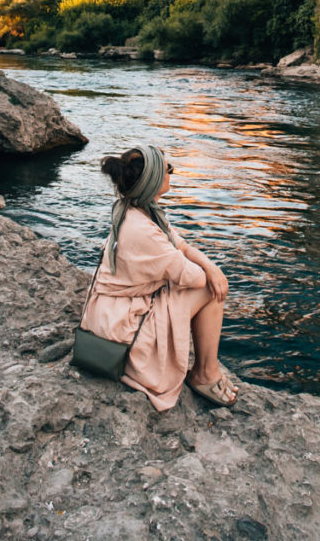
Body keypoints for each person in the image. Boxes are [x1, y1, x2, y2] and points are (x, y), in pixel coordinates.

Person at [81, 145, 239, 411]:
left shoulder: (137, 210)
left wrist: (211, 265)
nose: (172, 173)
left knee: (210, 278)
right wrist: (212, 273)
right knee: (213, 290)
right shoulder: (142, 229)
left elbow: (182, 246)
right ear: (154, 179)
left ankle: (205, 371)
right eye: (169, 169)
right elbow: (194, 278)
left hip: (111, 312)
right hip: (120, 329)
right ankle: (205, 375)